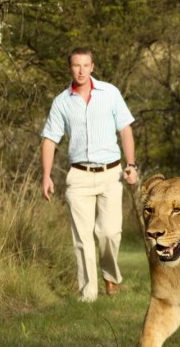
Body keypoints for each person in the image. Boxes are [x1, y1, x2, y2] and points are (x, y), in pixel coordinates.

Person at [40, 47, 139, 302]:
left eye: (85, 65)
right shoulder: (62, 101)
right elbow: (50, 139)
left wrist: (132, 164)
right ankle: (89, 294)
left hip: (111, 173)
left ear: (92, 66)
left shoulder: (110, 93)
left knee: (109, 232)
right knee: (82, 238)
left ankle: (110, 277)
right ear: (70, 68)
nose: (81, 70)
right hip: (79, 176)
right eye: (76, 65)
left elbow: (125, 130)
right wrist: (46, 175)